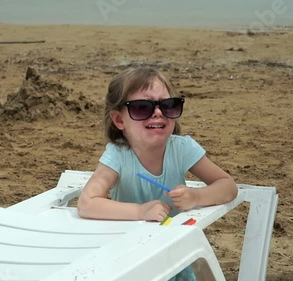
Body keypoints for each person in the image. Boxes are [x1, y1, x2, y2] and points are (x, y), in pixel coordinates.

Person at [77, 66, 238, 281]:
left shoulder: (181, 149)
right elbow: (87, 203)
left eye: (168, 105)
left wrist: (196, 196)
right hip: (128, 254)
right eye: (142, 107)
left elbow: (228, 186)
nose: (158, 112)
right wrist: (140, 211)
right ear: (119, 120)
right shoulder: (118, 155)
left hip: (173, 252)